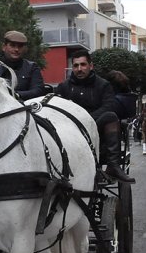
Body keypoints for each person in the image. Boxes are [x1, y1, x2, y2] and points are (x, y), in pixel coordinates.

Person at [54, 49, 134, 183]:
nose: (79, 69)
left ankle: (113, 165)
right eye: (76, 65)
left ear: (91, 66)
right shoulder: (63, 87)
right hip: (69, 130)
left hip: (95, 127)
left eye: (83, 65)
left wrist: (86, 120)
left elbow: (108, 106)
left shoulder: (103, 85)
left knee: (111, 116)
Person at [0, 31, 45, 101]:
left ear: (24, 49)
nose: (16, 49)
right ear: (4, 47)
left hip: (25, 108)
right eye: (12, 45)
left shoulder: (32, 67)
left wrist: (16, 95)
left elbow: (38, 91)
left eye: (20, 46)